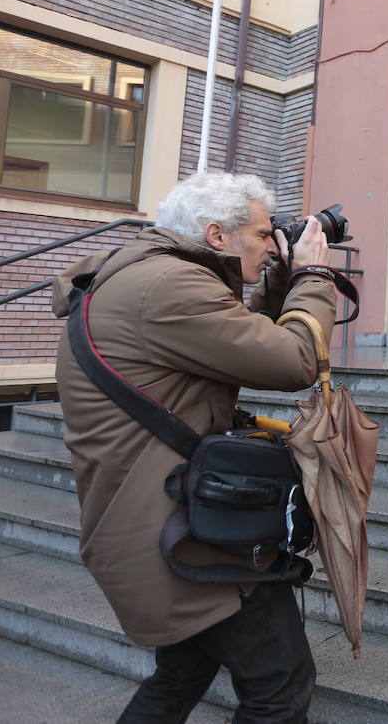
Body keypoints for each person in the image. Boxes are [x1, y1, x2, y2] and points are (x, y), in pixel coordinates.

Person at [51, 171, 338, 722]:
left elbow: (223, 343)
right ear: (216, 235)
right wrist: (316, 274)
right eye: (261, 233)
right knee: (280, 685)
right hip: (184, 533)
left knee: (181, 674)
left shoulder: (146, 276)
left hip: (150, 513)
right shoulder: (170, 286)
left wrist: (277, 287)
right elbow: (294, 362)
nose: (269, 241)